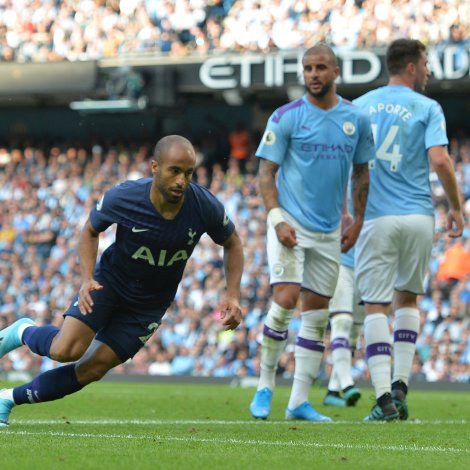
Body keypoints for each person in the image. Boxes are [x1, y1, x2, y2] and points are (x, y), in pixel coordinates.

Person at [0, 135, 244, 427]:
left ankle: (7, 398)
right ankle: (22, 331)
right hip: (109, 284)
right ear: (155, 167)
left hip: (148, 306)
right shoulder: (125, 197)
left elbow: (233, 243)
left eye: (188, 173)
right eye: (175, 171)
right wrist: (87, 277)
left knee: (92, 369)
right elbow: (91, 230)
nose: (182, 180)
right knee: (66, 350)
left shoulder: (205, 206)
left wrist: (232, 295)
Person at [249, 43, 374, 422]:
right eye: (308, 68)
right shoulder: (286, 117)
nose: (314, 74)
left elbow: (362, 174)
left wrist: (358, 221)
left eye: (321, 67)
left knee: (317, 315)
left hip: (330, 232)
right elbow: (265, 174)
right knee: (285, 299)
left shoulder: (356, 118)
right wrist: (276, 220)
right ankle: (265, 386)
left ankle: (298, 402)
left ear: (336, 72)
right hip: (290, 224)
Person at [353, 39, 464, 421]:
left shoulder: (362, 105)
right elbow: (441, 161)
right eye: (427, 63)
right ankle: (401, 387)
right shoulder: (427, 107)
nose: (430, 71)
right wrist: (456, 207)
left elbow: (349, 166)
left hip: (376, 217)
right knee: (409, 299)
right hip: (418, 214)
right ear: (413, 67)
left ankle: (383, 397)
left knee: (376, 305)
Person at [323, 246, 364, 407]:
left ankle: (333, 391)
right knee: (342, 321)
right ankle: (347, 384)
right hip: (340, 263)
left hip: (367, 267)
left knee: (354, 331)